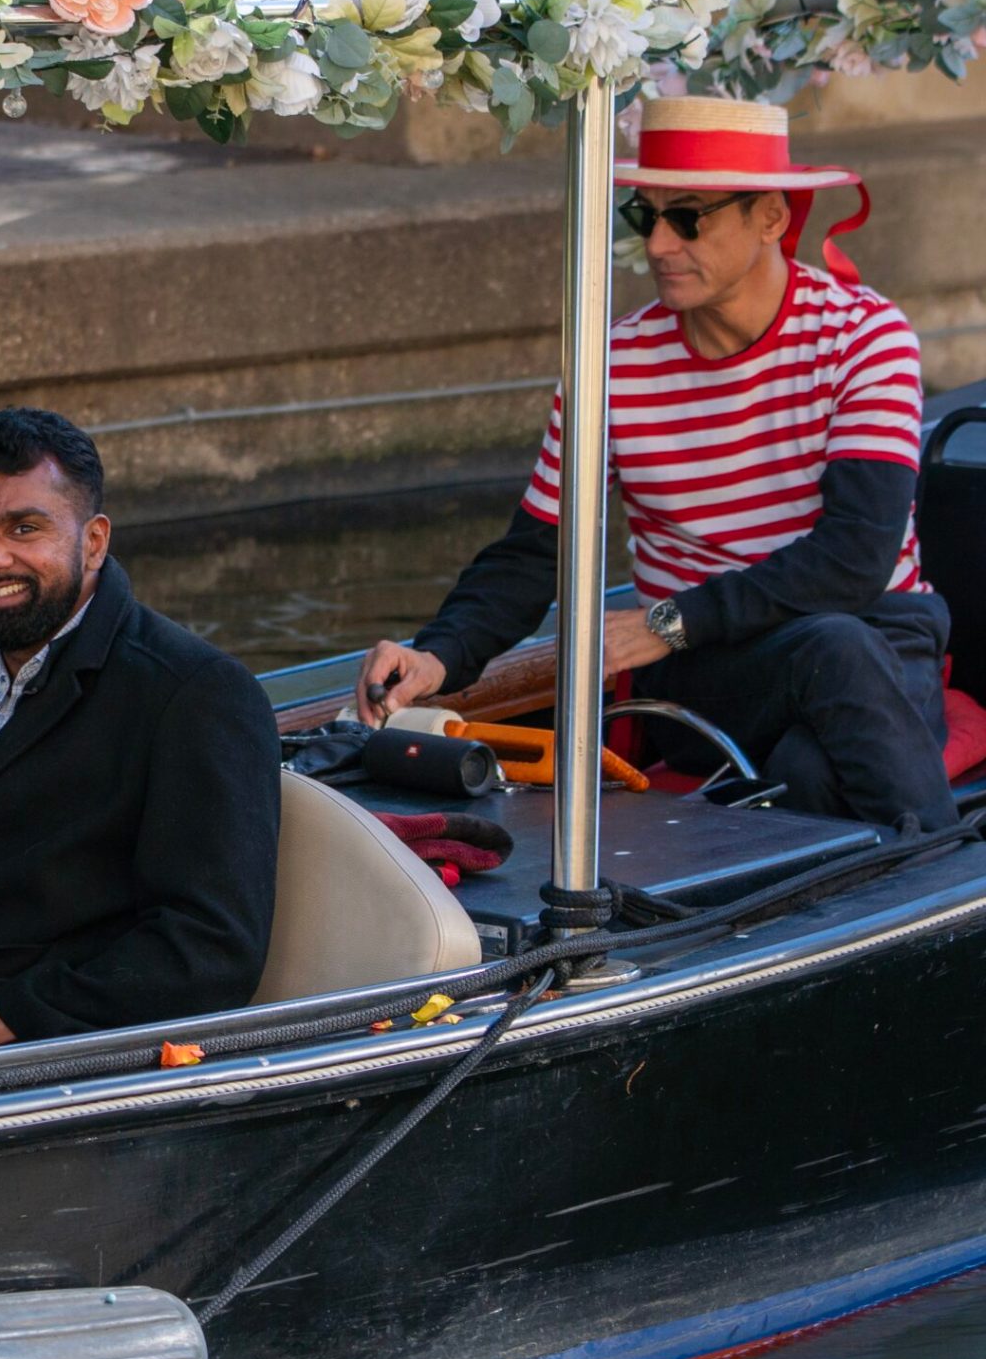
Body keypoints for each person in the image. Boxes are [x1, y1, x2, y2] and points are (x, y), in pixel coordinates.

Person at [357, 96, 957, 832]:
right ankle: (948, 877)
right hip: (713, 670)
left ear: (770, 217)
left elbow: (854, 561)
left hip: (873, 639)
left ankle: (938, 880)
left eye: (690, 217)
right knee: (826, 665)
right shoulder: (612, 364)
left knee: (818, 724)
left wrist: (667, 622)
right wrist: (437, 657)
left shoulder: (866, 337)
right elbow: (534, 553)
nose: (661, 246)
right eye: (648, 217)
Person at [0, 407, 281, 1057]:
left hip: (63, 1082)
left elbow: (212, 950)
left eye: (24, 528)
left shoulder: (195, 695)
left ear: (94, 542)